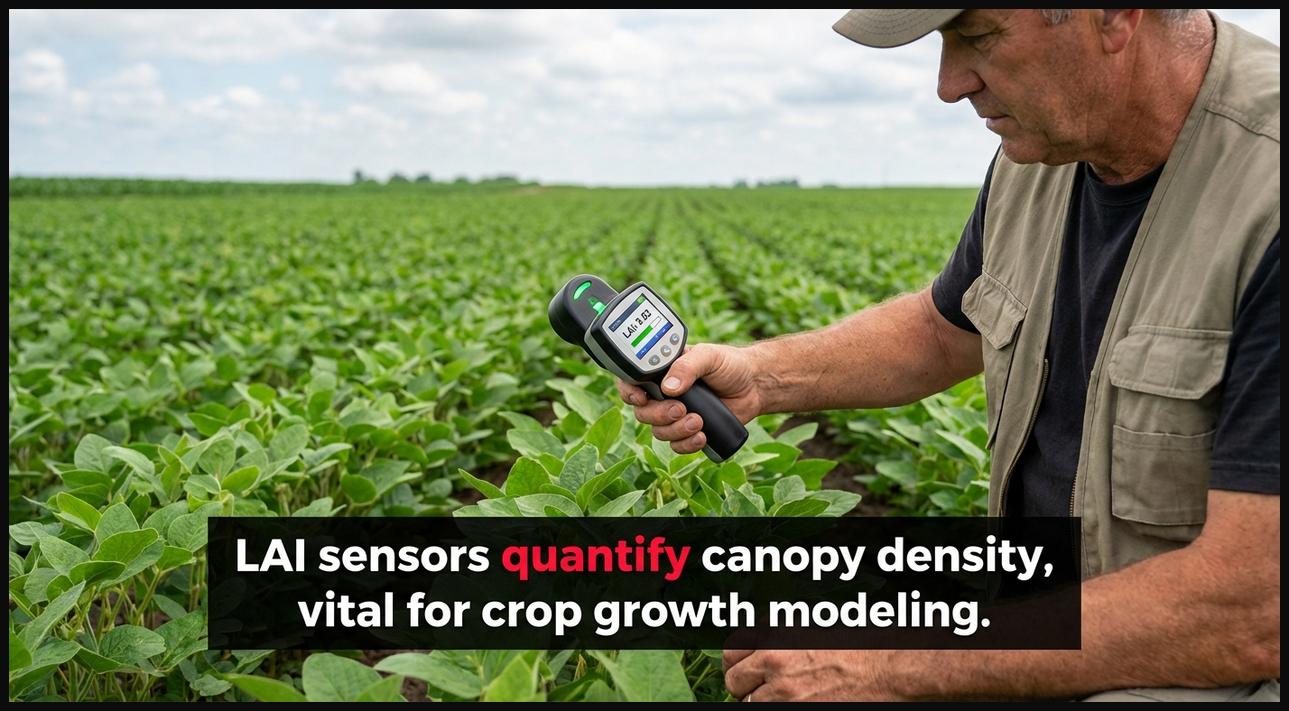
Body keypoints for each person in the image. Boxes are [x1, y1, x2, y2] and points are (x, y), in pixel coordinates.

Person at [616, 9, 1279, 701]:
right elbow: (944, 328)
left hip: (1204, 659)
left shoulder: (1265, 188)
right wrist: (760, 376)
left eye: (978, 36)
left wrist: (891, 662)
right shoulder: (1046, 150)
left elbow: (1252, 607)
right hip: (1045, 601)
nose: (948, 84)